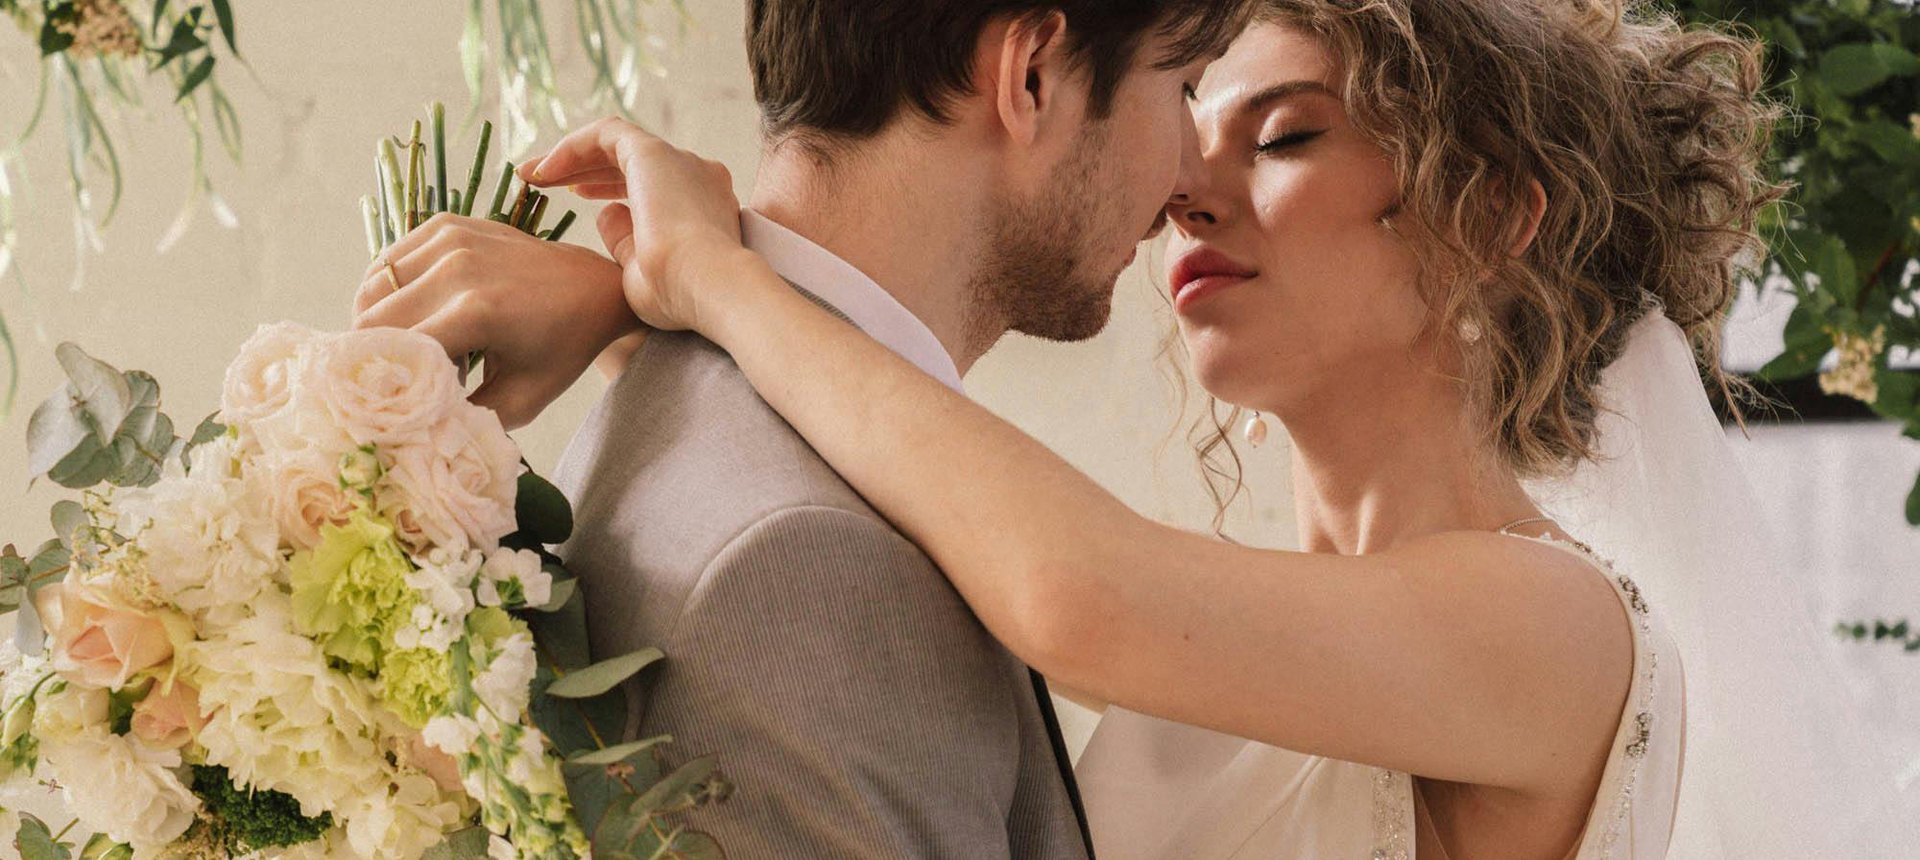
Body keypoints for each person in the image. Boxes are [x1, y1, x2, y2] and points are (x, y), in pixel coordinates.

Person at [366, 1, 1897, 857]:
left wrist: (703, 275)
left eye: (1281, 133)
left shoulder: (1552, 627)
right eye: (1189, 107)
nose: (1187, 187)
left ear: (1494, 213)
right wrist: (639, 299)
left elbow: (1073, 598)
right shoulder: (1230, 620)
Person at [357, 1, 1254, 856]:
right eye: (1181, 88)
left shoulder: (686, 406)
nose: (1188, 179)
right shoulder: (805, 563)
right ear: (1030, 77)